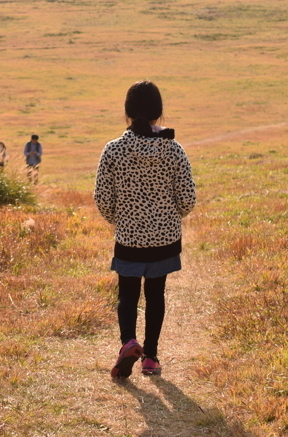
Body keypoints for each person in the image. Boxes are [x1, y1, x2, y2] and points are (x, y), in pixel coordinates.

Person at [94, 80, 196, 379]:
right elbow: (188, 198)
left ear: (128, 112)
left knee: (127, 294)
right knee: (156, 294)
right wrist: (169, 216)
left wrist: (120, 219)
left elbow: (102, 198)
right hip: (165, 238)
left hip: (128, 237)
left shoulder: (113, 150)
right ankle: (150, 357)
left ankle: (129, 342)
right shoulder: (173, 150)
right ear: (158, 113)